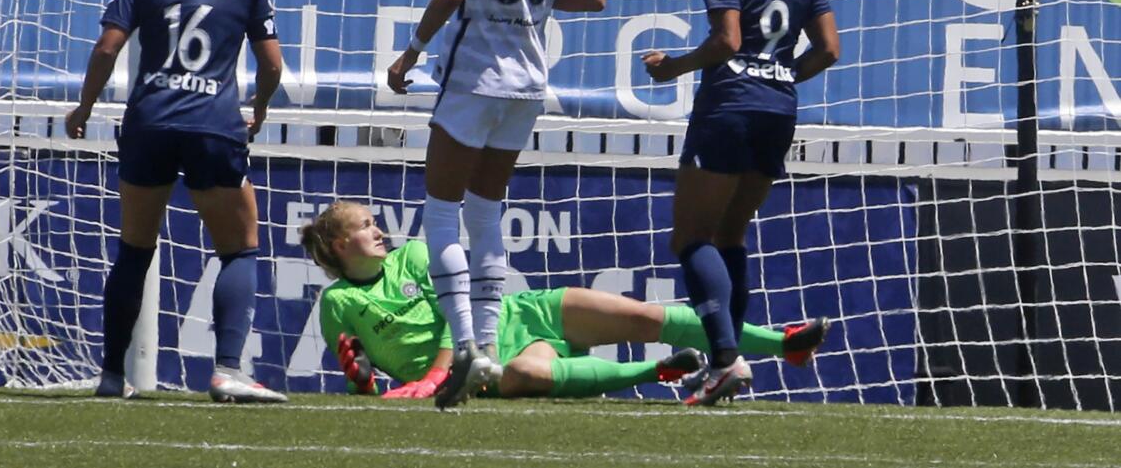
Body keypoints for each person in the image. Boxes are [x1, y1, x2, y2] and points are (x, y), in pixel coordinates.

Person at [387, 0, 606, 408]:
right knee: (486, 213)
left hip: (474, 77)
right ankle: (485, 349)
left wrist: (410, 52)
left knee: (440, 213)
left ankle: (465, 345)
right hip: (528, 84)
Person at [66, 0, 286, 403]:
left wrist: (86, 105)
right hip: (213, 123)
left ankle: (112, 376)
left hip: (150, 123)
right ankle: (228, 369)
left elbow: (106, 48)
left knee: (135, 249)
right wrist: (258, 107)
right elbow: (272, 63)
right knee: (238, 250)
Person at [642, 0, 840, 406]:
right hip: (779, 109)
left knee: (690, 239)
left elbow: (727, 41)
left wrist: (672, 67)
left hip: (729, 105)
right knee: (729, 237)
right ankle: (723, 360)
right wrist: (779, 74)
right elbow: (829, 50)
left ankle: (727, 361)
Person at [301, 201, 828, 400]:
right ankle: (656, 373)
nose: (378, 231)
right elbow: (360, 378)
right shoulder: (338, 304)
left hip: (516, 316)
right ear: (339, 245)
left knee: (644, 315)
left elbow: (454, 325)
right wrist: (363, 379)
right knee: (528, 377)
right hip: (490, 366)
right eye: (365, 226)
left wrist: (441, 374)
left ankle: (783, 345)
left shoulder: (416, 254)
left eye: (374, 222)